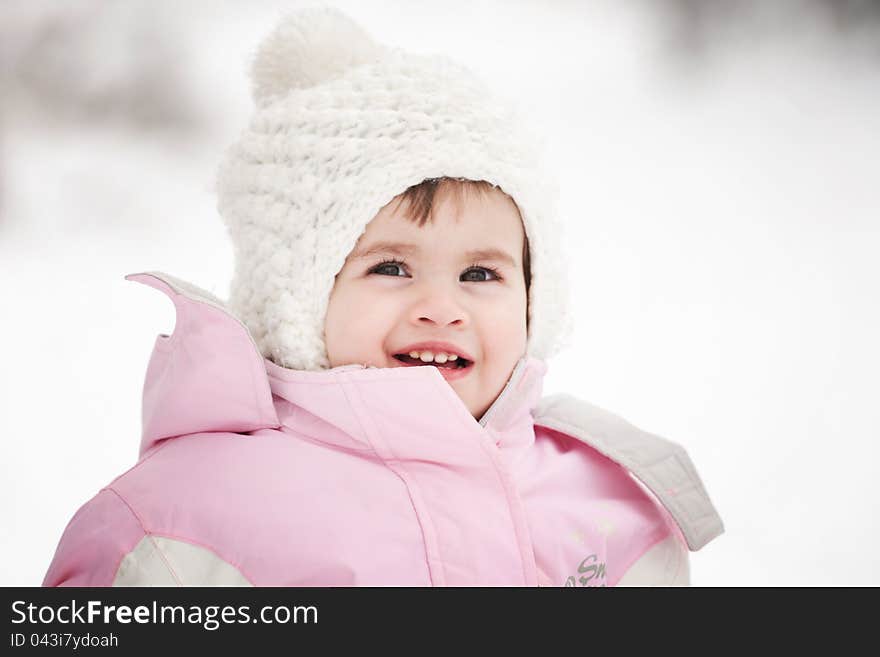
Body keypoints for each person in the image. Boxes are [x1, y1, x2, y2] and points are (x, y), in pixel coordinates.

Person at [43, 8, 723, 587]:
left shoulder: (608, 500)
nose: (441, 306)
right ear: (299, 298)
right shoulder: (179, 522)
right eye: (393, 267)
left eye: (481, 274)